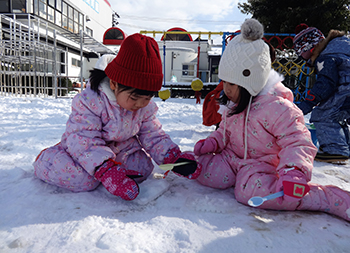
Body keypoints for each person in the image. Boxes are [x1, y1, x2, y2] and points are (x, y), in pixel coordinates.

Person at [194, 18, 350, 222]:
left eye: (233, 83)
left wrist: (294, 171)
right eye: (225, 82)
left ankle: (326, 198)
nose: (227, 89)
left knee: (250, 193)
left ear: (252, 81)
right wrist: (214, 141)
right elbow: (225, 130)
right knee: (202, 169)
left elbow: (297, 141)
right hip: (233, 158)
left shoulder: (277, 107)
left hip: (262, 164)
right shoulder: (234, 103)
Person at [33, 33, 201, 201]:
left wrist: (173, 157)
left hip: (120, 149)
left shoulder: (144, 108)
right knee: (84, 180)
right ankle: (46, 160)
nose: (140, 105)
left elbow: (154, 135)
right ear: (114, 84)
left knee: (143, 167)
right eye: (134, 98)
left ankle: (112, 174)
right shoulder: (91, 102)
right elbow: (84, 137)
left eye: (148, 98)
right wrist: (105, 169)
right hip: (81, 147)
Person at [293, 24, 350, 163]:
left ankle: (335, 150)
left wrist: (308, 102)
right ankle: (344, 146)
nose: (309, 62)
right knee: (337, 116)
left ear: (312, 48)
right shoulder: (341, 46)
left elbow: (326, 83)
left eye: (307, 58)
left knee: (322, 115)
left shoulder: (326, 57)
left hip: (346, 90)